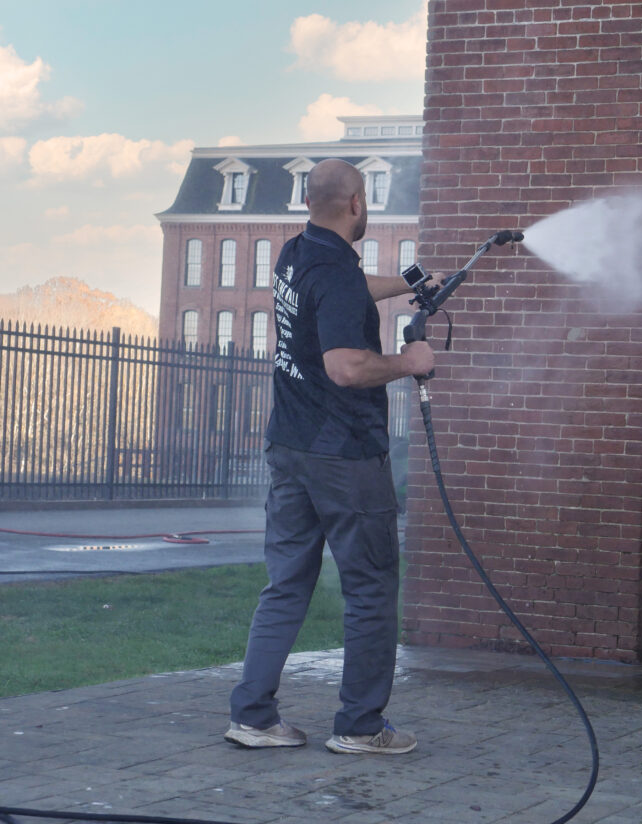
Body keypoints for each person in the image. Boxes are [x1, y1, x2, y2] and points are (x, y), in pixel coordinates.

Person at [225, 158, 434, 755]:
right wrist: (408, 365)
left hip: (290, 446)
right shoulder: (335, 272)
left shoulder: (296, 253)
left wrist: (404, 284)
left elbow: (341, 292)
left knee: (285, 584)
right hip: (343, 455)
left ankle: (253, 717)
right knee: (370, 588)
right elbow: (346, 367)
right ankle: (361, 728)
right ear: (357, 204)